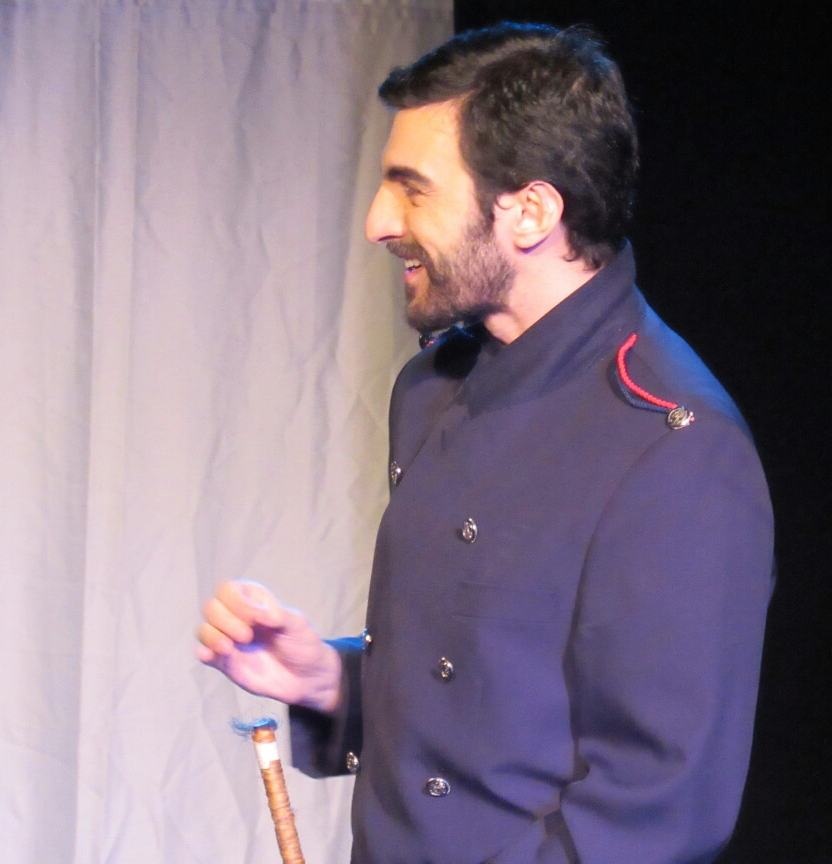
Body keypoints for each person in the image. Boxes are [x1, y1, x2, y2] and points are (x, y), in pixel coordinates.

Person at [197, 23, 774, 863]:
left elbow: (654, 815)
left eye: (412, 190)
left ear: (531, 211)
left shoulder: (673, 444)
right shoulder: (431, 388)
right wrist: (333, 682)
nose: (377, 222)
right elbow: (475, 687)